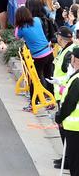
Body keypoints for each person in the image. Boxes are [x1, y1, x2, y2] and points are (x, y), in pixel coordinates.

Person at [14, 5, 54, 110]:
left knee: (35, 79)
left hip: (39, 56)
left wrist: (17, 25)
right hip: (49, 52)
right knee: (48, 76)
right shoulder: (36, 20)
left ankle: (33, 103)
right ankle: (51, 100)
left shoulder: (21, 28)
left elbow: (17, 37)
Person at [52, 27, 75, 170]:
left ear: (60, 38)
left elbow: (69, 73)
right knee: (63, 129)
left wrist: (59, 82)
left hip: (65, 94)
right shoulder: (65, 50)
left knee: (64, 129)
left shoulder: (69, 53)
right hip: (61, 94)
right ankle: (66, 156)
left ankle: (68, 159)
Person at [55, 46, 79, 176]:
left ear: (76, 60)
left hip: (75, 128)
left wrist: (59, 117)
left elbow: (70, 103)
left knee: (75, 165)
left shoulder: (77, 79)